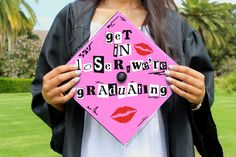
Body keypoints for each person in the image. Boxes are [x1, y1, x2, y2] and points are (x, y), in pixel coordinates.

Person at [31, 0, 223, 157]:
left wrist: (198, 99)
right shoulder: (71, 19)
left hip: (157, 149)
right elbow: (46, 93)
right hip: (92, 149)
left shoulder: (174, 25)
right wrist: (52, 98)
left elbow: (200, 102)